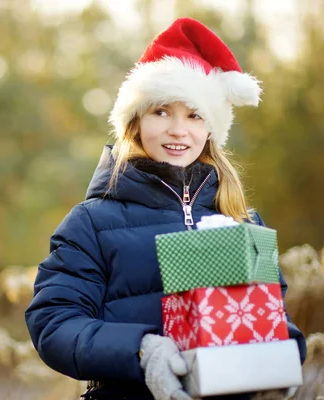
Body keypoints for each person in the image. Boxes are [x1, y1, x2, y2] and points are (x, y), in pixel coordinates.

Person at [25, 17, 307, 400]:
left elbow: (270, 315)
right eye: (161, 112)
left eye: (194, 115)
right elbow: (54, 323)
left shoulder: (241, 220)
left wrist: (282, 350)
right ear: (135, 122)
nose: (178, 130)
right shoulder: (92, 222)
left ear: (211, 128)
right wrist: (142, 349)